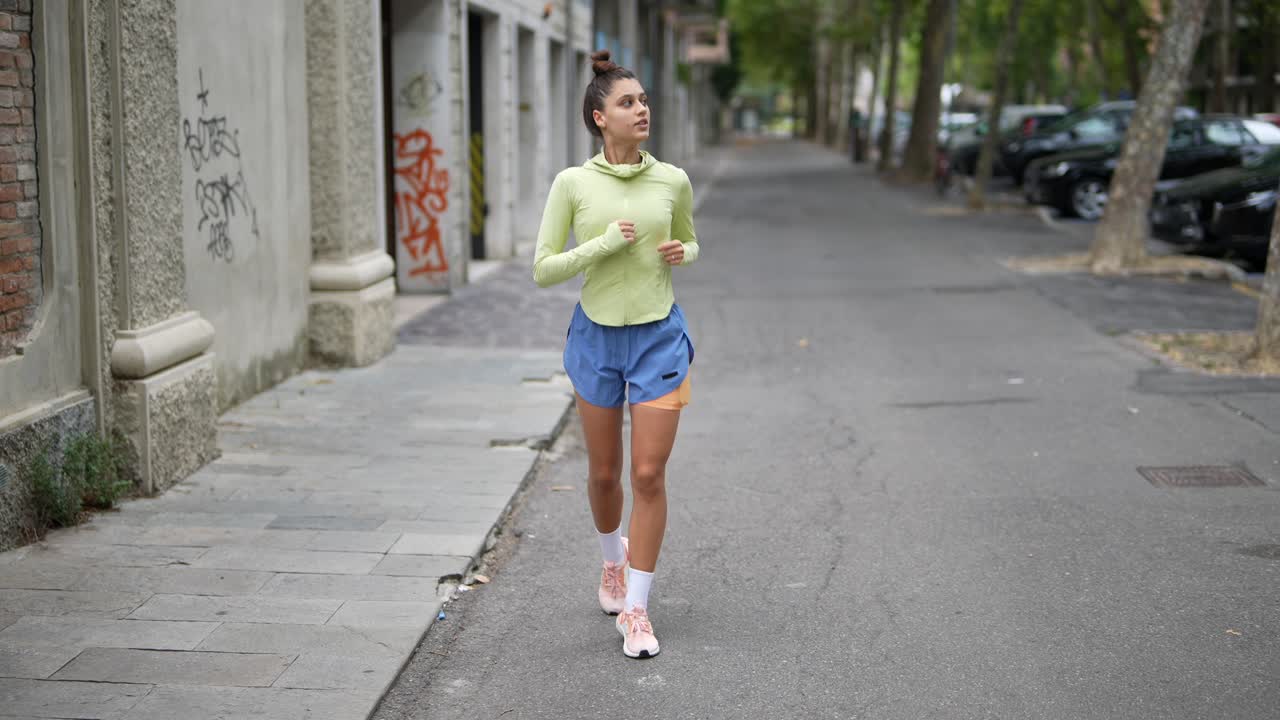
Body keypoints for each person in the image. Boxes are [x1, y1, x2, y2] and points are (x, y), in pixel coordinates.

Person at [532, 50, 699, 659]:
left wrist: (685, 252)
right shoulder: (572, 184)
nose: (641, 109)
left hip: (658, 336)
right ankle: (611, 562)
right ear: (599, 117)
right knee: (604, 475)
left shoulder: (672, 179)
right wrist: (599, 246)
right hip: (597, 337)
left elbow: (691, 239)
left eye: (644, 100)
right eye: (628, 102)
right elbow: (543, 268)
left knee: (648, 473)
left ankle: (637, 607)